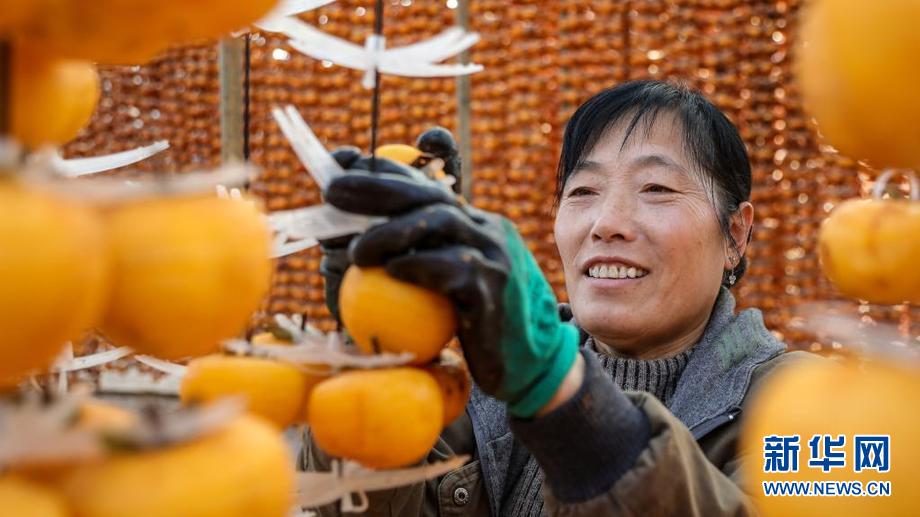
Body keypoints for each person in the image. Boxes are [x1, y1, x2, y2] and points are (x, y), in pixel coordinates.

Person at [300, 79, 816, 516]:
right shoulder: (481, 391)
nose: (606, 223)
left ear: (736, 235)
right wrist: (375, 348)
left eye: (656, 188)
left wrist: (564, 396)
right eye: (583, 192)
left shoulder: (818, 408)